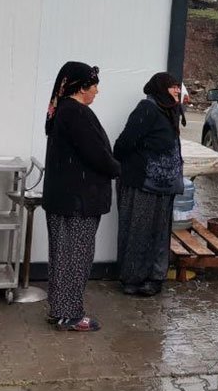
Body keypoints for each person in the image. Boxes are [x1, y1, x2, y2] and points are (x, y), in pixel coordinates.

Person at [42, 62, 121, 332]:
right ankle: (70, 315)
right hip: (78, 201)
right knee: (76, 257)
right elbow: (97, 155)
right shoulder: (76, 113)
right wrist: (118, 168)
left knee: (62, 256)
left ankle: (60, 310)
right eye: (94, 85)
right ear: (80, 87)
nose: (97, 91)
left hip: (64, 199)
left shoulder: (62, 111)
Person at [112, 72, 185, 297]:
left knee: (159, 233)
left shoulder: (169, 111)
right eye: (172, 87)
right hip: (142, 184)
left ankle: (154, 278)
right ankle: (132, 279)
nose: (176, 91)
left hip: (164, 187)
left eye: (177, 87)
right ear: (160, 88)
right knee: (137, 231)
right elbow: (123, 144)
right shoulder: (147, 109)